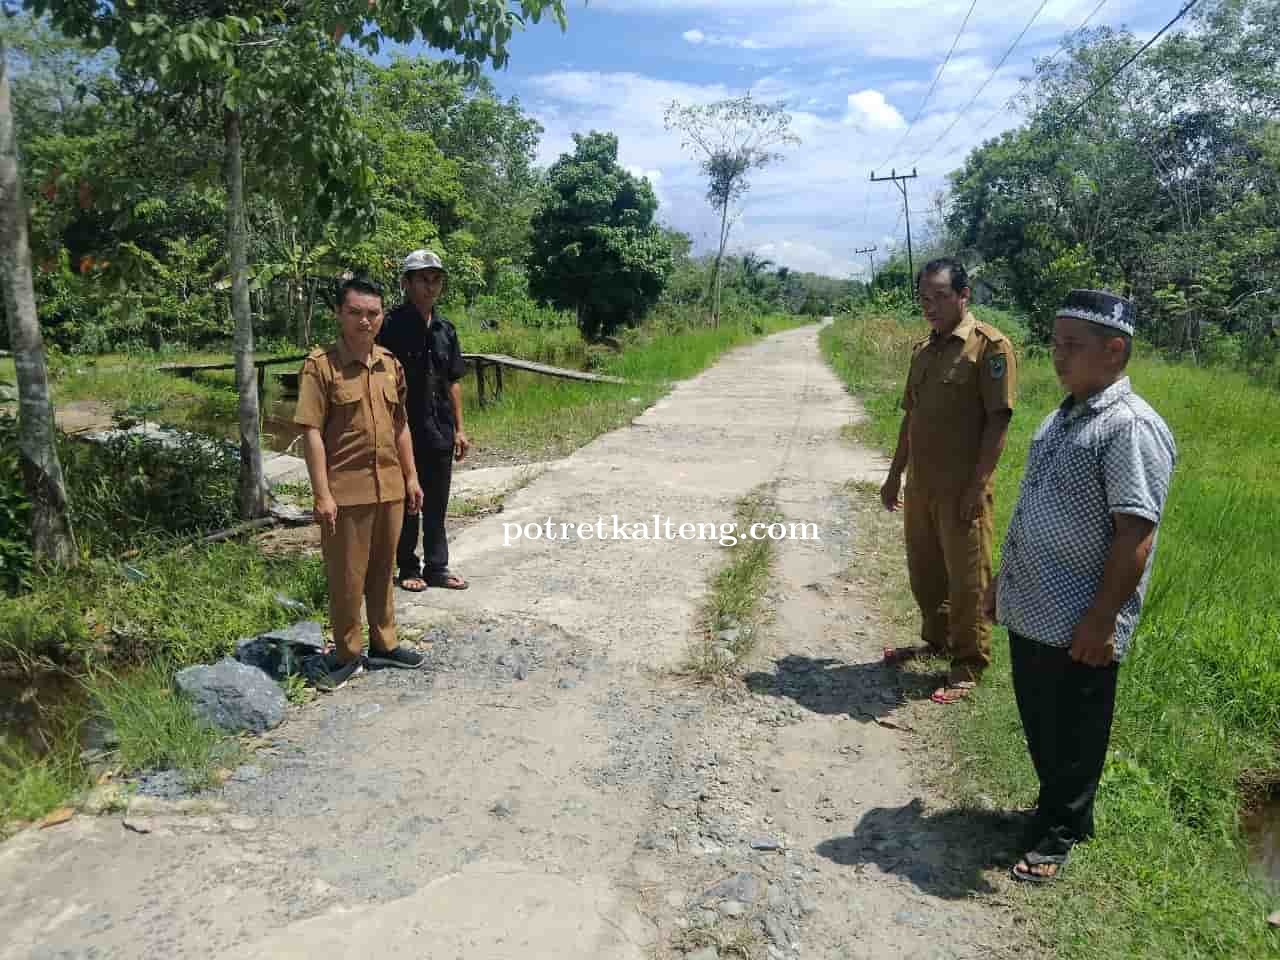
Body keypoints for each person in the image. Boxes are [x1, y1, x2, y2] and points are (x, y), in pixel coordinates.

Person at [992, 289, 1176, 883]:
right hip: (1035, 605)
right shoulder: (1065, 414)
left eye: (1071, 346)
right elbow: (1031, 505)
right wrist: (1005, 578)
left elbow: (1136, 533)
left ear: (1114, 350)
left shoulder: (1129, 427)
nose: (1057, 356)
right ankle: (1055, 809)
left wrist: (1102, 619)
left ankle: (1061, 833)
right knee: (1042, 720)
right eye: (1055, 343)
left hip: (1079, 617)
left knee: (1074, 729)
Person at [880, 257, 1017, 704]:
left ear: (964, 296)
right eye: (924, 298)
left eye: (940, 296)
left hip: (963, 487)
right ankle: (935, 641)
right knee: (925, 571)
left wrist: (978, 486)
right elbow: (911, 418)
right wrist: (894, 475)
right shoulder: (923, 350)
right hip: (922, 486)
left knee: (967, 579)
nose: (931, 306)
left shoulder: (989, 348)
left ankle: (968, 663)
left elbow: (998, 422)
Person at [294, 277, 427, 691]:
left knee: (383, 571)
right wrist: (321, 493)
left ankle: (385, 644)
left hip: (388, 486)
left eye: (373, 313)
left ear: (381, 316)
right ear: (339, 314)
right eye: (355, 313)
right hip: (345, 491)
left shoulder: (390, 364)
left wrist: (411, 477)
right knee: (346, 576)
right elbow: (311, 431)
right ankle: (347, 653)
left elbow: (400, 425)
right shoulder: (322, 366)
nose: (365, 321)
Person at [377, 249, 471, 592]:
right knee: (406, 502)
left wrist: (460, 428)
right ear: (406, 283)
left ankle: (437, 566)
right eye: (422, 279)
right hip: (402, 431)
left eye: (435, 280)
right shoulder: (388, 326)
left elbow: (453, 381)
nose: (430, 287)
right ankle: (407, 567)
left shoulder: (446, 330)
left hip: (440, 429)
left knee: (437, 502)